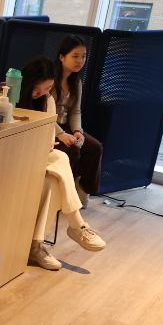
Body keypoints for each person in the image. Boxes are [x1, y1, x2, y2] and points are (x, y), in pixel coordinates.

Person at [16, 56, 106, 270]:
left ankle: (36, 246)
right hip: (14, 154)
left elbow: (49, 134)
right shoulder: (11, 92)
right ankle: (76, 226)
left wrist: (60, 138)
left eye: (48, 89)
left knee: (55, 174)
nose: (43, 93)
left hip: (36, 154)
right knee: (62, 161)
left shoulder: (50, 98)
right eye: (38, 89)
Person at [52, 35, 103, 203]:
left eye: (83, 56)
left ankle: (83, 188)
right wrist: (60, 134)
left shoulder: (76, 82)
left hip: (67, 126)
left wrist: (77, 131)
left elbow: (75, 111)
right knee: (72, 150)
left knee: (95, 147)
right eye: (75, 56)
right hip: (50, 127)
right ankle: (64, 195)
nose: (80, 60)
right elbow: (45, 114)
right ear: (61, 57)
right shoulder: (51, 80)